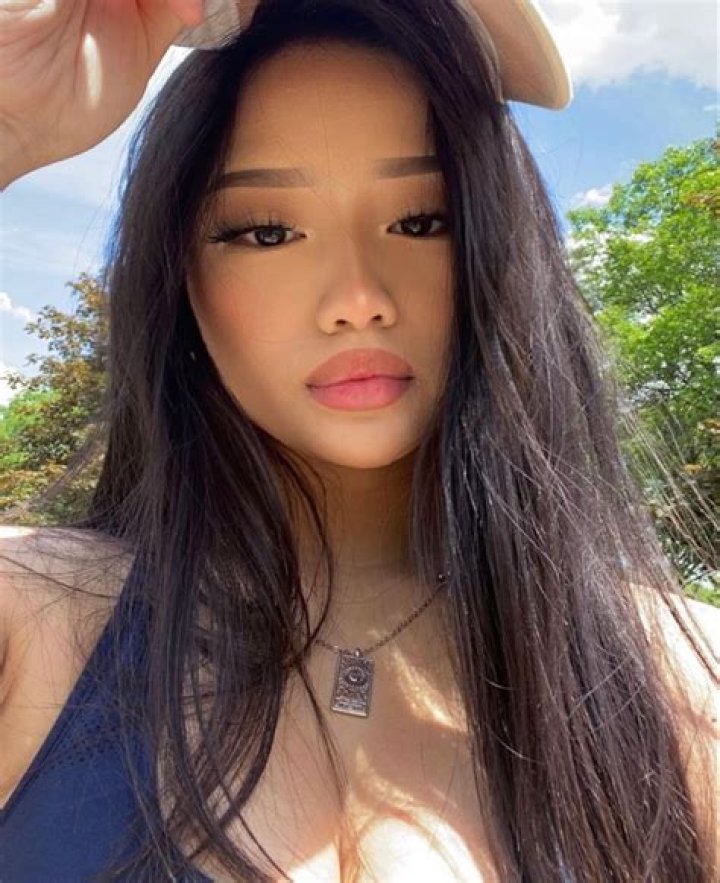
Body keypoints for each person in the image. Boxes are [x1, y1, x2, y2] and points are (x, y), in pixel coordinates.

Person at [0, 1, 717, 881]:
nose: (357, 298)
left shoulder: (680, 683)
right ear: (181, 276)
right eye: (267, 232)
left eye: (421, 220)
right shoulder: (36, 619)